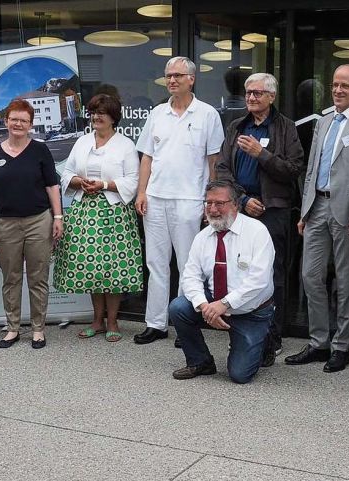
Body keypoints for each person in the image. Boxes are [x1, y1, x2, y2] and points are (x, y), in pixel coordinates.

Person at [286, 64, 349, 373]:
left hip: (348, 211)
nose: (338, 90)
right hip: (317, 207)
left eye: (345, 85)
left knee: (345, 280)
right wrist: (305, 210)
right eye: (335, 85)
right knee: (310, 276)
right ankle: (318, 342)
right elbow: (312, 168)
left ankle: (342, 346)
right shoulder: (323, 122)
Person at [134, 56, 224, 345]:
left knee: (188, 266)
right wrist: (141, 192)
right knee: (156, 264)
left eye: (178, 76)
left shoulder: (207, 114)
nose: (172, 80)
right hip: (156, 198)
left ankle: (184, 325)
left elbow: (214, 161)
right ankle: (156, 324)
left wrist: (210, 201)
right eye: (168, 75)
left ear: (192, 79)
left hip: (189, 199)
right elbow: (147, 156)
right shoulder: (157, 113)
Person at [216, 72, 304, 367]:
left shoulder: (286, 128)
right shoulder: (236, 126)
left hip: (273, 211)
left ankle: (272, 337)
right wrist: (241, 200)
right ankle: (243, 331)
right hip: (240, 208)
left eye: (257, 93)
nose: (251, 98)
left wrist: (261, 154)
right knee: (240, 270)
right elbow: (223, 168)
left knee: (271, 274)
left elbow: (293, 170)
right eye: (248, 93)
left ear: (271, 96)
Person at [53, 94, 143, 343]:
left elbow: (133, 181)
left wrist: (103, 184)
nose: (96, 117)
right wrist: (78, 181)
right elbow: (66, 172)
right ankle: (97, 320)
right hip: (84, 211)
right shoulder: (82, 142)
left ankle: (113, 321)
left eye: (101, 112)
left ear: (113, 117)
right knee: (92, 267)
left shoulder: (125, 145)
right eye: (93, 112)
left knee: (111, 269)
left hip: (114, 213)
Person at [170, 180, 275, 384]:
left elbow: (258, 281)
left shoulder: (257, 232)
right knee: (178, 308)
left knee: (239, 375)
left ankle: (264, 339)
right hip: (215, 302)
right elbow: (190, 276)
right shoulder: (202, 237)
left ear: (235, 205)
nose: (213, 209)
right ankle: (200, 361)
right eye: (208, 203)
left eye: (219, 203)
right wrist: (204, 306)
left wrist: (224, 304)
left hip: (250, 311)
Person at [0, 99, 63, 349]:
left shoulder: (40, 150)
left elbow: (52, 185)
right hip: (5, 223)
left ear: (30, 125)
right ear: (6, 121)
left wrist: (58, 217)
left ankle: (38, 329)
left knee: (38, 278)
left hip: (39, 221)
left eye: (23, 120)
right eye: (14, 119)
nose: (18, 124)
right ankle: (13, 327)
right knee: (11, 277)